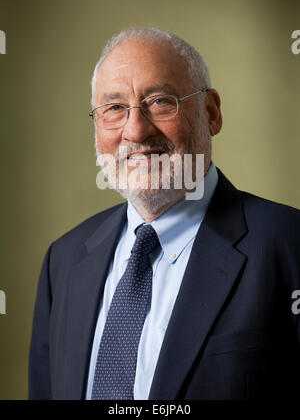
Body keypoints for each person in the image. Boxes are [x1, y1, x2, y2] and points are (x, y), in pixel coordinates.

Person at [29, 27, 300, 400]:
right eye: (114, 108)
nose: (136, 130)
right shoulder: (63, 261)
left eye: (159, 101)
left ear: (211, 113)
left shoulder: (289, 244)